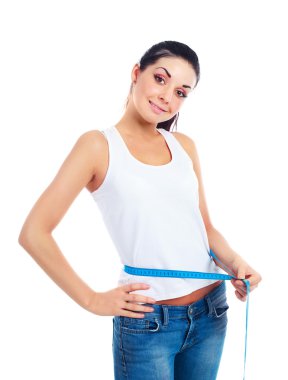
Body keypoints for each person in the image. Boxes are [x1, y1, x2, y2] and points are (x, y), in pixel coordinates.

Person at [18, 40, 262, 380]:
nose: (167, 96)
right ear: (136, 73)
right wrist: (90, 300)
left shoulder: (184, 147)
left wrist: (236, 263)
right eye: (161, 79)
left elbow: (204, 228)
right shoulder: (98, 146)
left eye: (181, 92)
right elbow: (33, 232)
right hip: (148, 324)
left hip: (211, 313)